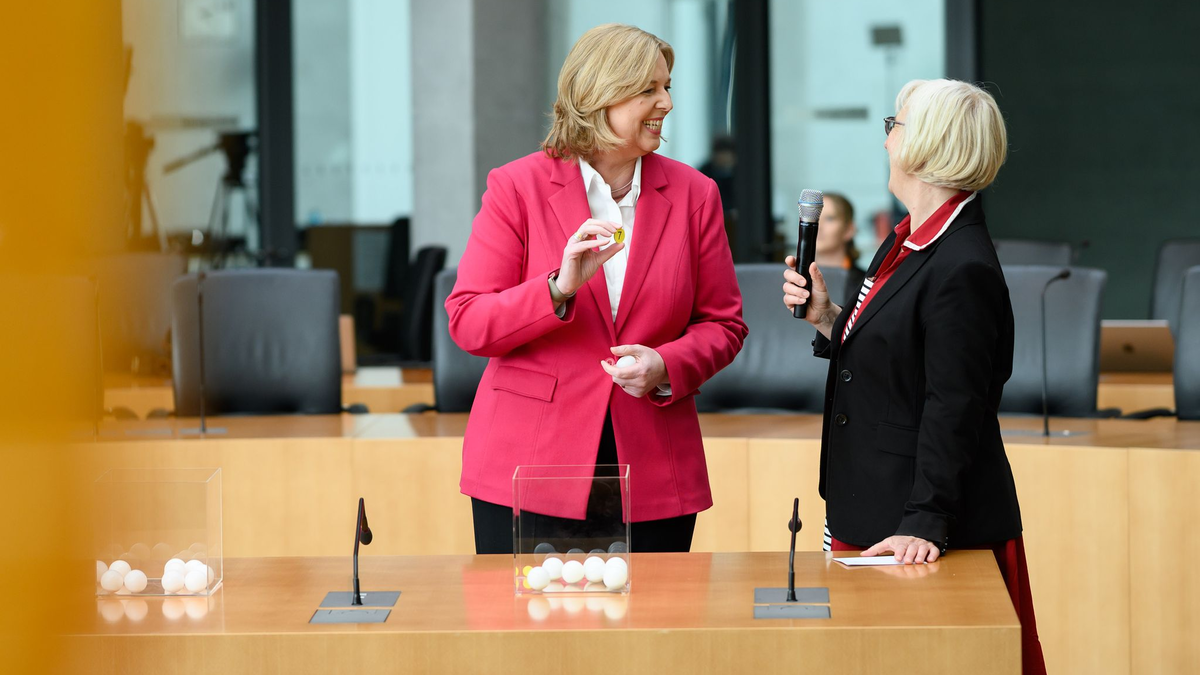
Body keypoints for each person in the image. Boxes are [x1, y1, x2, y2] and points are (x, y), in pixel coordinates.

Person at [448, 24, 747, 556]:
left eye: (668, 86)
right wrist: (558, 288)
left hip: (653, 463)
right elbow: (469, 321)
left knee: (649, 635)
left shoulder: (696, 194)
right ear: (599, 96)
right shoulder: (517, 187)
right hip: (529, 459)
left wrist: (665, 365)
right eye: (649, 90)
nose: (668, 103)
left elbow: (723, 325)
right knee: (528, 636)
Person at [781, 79, 1046, 673]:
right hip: (875, 504)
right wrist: (828, 317)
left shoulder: (961, 264)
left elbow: (956, 403)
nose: (886, 142)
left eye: (894, 127)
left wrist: (926, 519)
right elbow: (898, 363)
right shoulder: (908, 240)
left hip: (917, 529)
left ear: (927, 146)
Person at [813, 192, 866, 305]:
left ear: (849, 230)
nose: (818, 225)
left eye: (829, 219)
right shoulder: (793, 281)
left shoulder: (865, 285)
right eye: (815, 217)